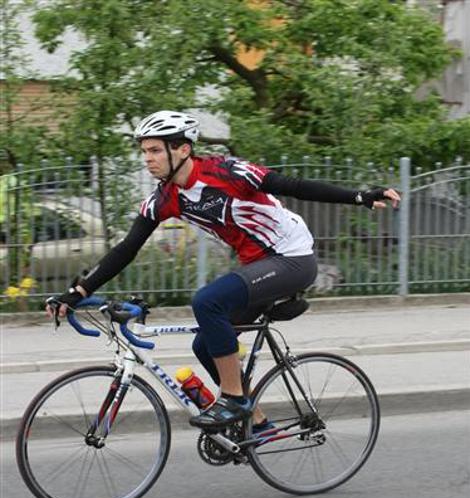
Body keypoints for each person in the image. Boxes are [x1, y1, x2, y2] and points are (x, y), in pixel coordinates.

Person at [47, 110, 400, 432]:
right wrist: (78, 292)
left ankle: (233, 399)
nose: (147, 159)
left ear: (182, 150)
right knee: (205, 344)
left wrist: (360, 197)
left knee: (207, 301)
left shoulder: (227, 172)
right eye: (144, 151)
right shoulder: (165, 198)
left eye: (154, 150)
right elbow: (126, 248)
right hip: (258, 266)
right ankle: (257, 425)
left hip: (292, 258)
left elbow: (293, 186)